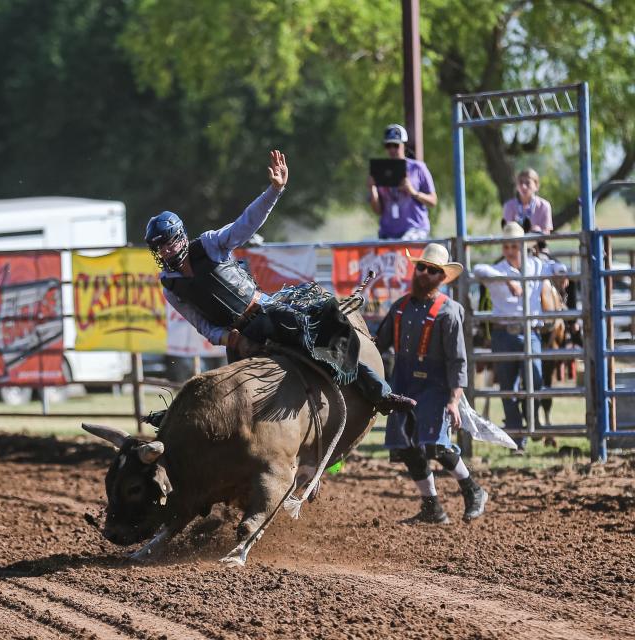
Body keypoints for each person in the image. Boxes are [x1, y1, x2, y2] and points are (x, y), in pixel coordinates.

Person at [146, 150, 415, 415]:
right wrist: (232, 339)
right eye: (159, 248)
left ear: (180, 238)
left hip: (267, 312)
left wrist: (274, 191)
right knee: (231, 403)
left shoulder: (209, 245)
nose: (165, 252)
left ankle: (382, 394)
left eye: (168, 244)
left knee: (321, 344)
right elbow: (202, 325)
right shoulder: (170, 285)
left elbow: (244, 225)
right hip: (239, 339)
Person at [375, 243, 488, 524]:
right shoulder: (400, 308)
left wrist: (453, 400)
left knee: (434, 445)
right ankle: (432, 508)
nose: (424, 273)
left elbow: (457, 359)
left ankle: (473, 489)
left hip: (435, 385)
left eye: (432, 270)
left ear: (441, 277)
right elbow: (379, 344)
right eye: (421, 267)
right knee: (407, 447)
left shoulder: (448, 312)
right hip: (402, 383)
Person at [472, 222, 565, 451]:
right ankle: (517, 438)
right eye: (507, 246)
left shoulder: (536, 265)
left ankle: (532, 424)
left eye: (515, 245)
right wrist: (507, 280)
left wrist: (562, 274)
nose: (510, 250)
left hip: (530, 332)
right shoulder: (499, 269)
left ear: (523, 247)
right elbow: (478, 270)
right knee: (508, 388)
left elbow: (557, 267)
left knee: (536, 381)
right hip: (504, 333)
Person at [368, 124, 438, 241]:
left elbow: (433, 201)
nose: (392, 149)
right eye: (388, 145)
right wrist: (372, 189)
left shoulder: (417, 168)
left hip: (415, 229)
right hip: (388, 232)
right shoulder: (380, 170)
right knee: (369, 246)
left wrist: (412, 192)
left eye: (396, 145)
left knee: (405, 243)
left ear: (403, 145)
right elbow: (378, 210)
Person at [502, 168, 553, 234]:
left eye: (528, 183)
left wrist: (537, 231)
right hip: (516, 243)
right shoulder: (509, 206)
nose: (523, 186)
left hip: (536, 242)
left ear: (536, 186)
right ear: (517, 186)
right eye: (520, 183)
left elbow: (546, 234)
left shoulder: (544, 206)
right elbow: (507, 233)